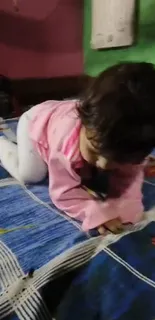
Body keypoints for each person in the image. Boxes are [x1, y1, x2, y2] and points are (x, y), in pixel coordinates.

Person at [1, 62, 155, 234]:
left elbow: (129, 183)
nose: (103, 165)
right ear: (84, 124)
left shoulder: (135, 141)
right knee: (31, 174)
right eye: (95, 150)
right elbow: (63, 192)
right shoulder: (63, 143)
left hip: (64, 114)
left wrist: (124, 209)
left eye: (117, 158)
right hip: (34, 121)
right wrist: (95, 212)